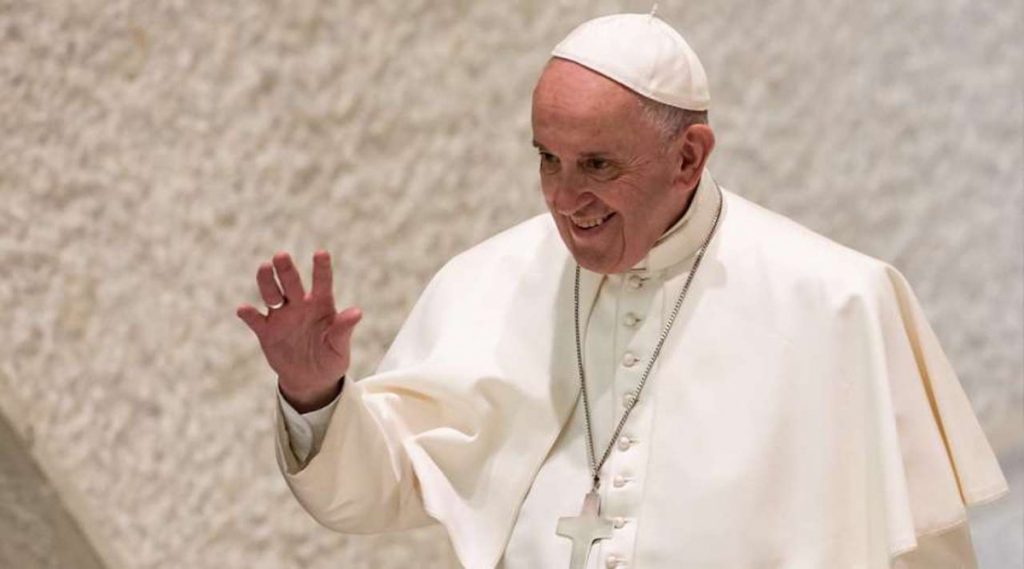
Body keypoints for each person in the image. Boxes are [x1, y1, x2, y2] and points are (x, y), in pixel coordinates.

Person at [236, 13, 1008, 569]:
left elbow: (921, 551)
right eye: (548, 159)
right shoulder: (490, 281)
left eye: (598, 165)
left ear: (689, 157)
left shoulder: (840, 302)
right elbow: (380, 488)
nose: (565, 198)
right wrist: (318, 396)